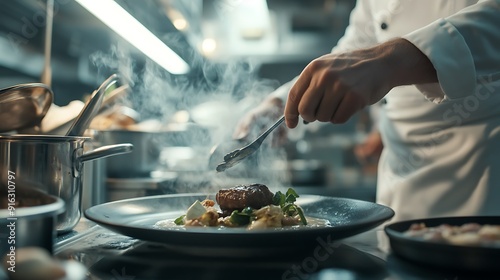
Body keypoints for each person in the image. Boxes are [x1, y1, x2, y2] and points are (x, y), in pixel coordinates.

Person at [233, 0, 500, 222]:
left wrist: (388, 61)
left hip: (482, 179)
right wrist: (280, 104)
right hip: (400, 191)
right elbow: (355, 50)